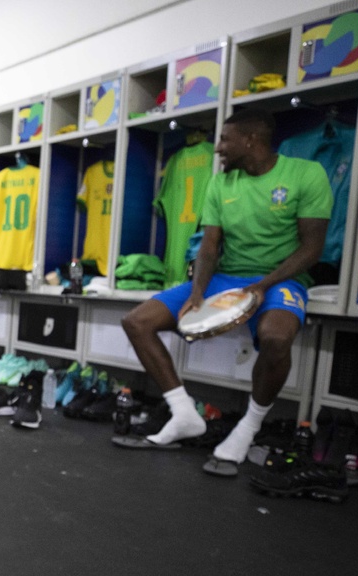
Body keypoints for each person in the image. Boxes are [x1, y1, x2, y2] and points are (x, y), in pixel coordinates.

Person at [119, 108, 332, 470]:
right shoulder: (220, 183)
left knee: (277, 338)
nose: (217, 148)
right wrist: (197, 294)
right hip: (226, 276)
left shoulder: (306, 174)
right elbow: (209, 246)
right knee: (137, 322)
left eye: (224, 140)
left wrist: (262, 286)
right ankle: (184, 414)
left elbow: (312, 248)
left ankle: (248, 428)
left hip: (281, 279)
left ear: (250, 140)